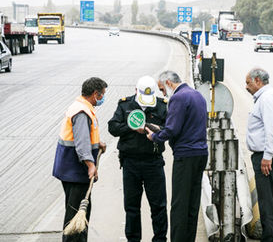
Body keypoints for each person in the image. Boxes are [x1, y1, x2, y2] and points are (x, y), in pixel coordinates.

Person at [145, 70, 208, 242]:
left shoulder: (178, 98)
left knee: (179, 204)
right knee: (192, 203)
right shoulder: (198, 96)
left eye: (162, 89)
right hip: (201, 153)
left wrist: (155, 137)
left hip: (185, 155)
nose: (163, 93)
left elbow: (172, 129)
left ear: (169, 83)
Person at [108, 75, 168, 242]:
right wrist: (132, 127)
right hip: (130, 162)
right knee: (132, 207)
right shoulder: (125, 104)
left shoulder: (162, 106)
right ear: (136, 91)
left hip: (153, 162)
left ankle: (160, 239)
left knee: (159, 206)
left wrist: (151, 128)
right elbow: (113, 127)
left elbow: (170, 128)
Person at [52, 77, 108, 242]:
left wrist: (98, 144)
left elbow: (84, 138)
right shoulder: (82, 112)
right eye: (102, 94)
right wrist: (91, 165)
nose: (103, 98)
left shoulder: (80, 106)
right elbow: (82, 144)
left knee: (76, 210)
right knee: (76, 215)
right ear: (95, 94)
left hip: (69, 170)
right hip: (75, 171)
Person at [245, 68, 273, 242]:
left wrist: (267, 156)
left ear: (258, 80)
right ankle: (272, 236)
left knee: (267, 201)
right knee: (270, 199)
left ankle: (270, 238)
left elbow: (272, 129)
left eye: (248, 83)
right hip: (272, 153)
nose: (246, 87)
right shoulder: (267, 96)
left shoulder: (267, 98)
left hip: (271, 155)